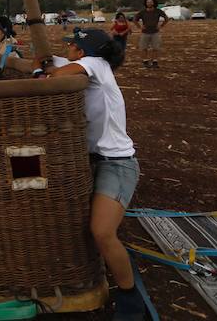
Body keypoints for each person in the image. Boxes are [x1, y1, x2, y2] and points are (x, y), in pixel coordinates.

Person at [35, 28, 144, 320]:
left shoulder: (94, 65)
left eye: (72, 45)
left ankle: (130, 297)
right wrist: (42, 61)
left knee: (102, 232)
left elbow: (58, 75)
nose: (68, 48)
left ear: (82, 52)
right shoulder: (97, 64)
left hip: (117, 163)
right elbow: (55, 63)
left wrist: (42, 72)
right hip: (96, 161)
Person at [132, 0, 169, 68]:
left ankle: (155, 61)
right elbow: (134, 19)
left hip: (155, 32)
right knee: (143, 47)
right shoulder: (143, 12)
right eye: (148, 2)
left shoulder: (158, 11)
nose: (149, 3)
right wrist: (140, 27)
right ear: (145, 3)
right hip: (145, 32)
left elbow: (166, 19)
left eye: (150, 2)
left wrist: (161, 26)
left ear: (154, 3)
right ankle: (145, 61)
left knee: (155, 48)